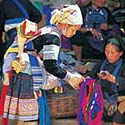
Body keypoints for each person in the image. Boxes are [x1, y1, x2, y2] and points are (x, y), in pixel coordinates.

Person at [0, 4, 84, 125]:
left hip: (20, 71)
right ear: (65, 24)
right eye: (73, 29)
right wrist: (69, 77)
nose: (74, 33)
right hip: (27, 73)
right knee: (30, 119)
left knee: (21, 118)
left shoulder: (48, 30)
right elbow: (50, 65)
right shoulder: (53, 37)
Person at [81, 34, 125, 125]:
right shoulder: (102, 64)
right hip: (103, 102)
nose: (109, 55)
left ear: (120, 53)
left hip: (119, 101)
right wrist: (87, 79)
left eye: (113, 53)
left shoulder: (123, 66)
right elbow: (90, 75)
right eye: (106, 51)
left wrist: (112, 78)